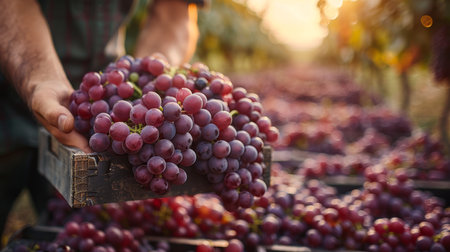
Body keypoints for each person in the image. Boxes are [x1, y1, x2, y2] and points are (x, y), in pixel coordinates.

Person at [0, 0, 202, 240]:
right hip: (10, 90)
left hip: (100, 121)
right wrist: (40, 77)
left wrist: (152, 77)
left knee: (73, 231)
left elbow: (174, 12)